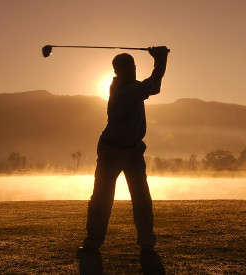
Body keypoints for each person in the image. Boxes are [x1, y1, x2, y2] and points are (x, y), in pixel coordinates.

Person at [77, 46, 169, 271]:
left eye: (132, 71)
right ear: (118, 73)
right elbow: (154, 82)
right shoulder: (123, 91)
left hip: (134, 150)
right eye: (126, 73)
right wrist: (161, 58)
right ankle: (92, 243)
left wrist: (159, 60)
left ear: (134, 69)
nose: (130, 76)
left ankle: (146, 244)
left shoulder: (128, 86)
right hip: (112, 151)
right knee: (101, 198)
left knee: (142, 198)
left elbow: (151, 86)